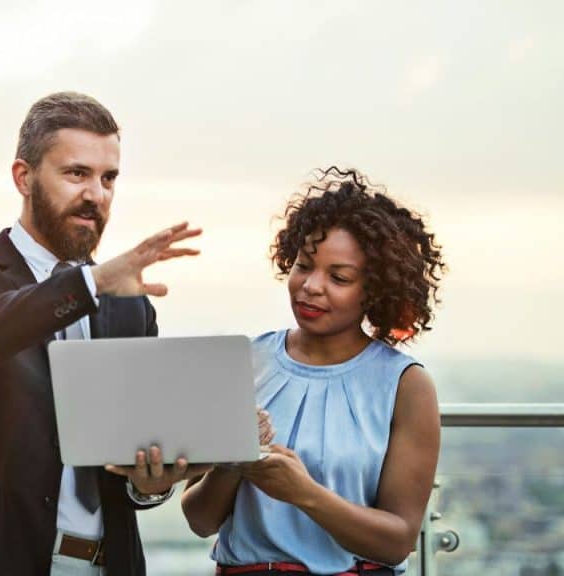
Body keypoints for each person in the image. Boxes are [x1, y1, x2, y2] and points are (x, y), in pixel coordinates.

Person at [0, 92, 211, 576]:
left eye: (108, 178)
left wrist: (150, 484)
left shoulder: (128, 304)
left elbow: (132, 452)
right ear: (23, 178)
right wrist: (89, 284)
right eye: (76, 174)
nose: (97, 195)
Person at [181, 167, 446, 576]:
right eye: (304, 266)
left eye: (338, 277)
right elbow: (199, 520)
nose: (311, 286)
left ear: (374, 291)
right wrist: (233, 464)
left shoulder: (405, 386)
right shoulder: (244, 362)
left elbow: (398, 541)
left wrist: (304, 494)